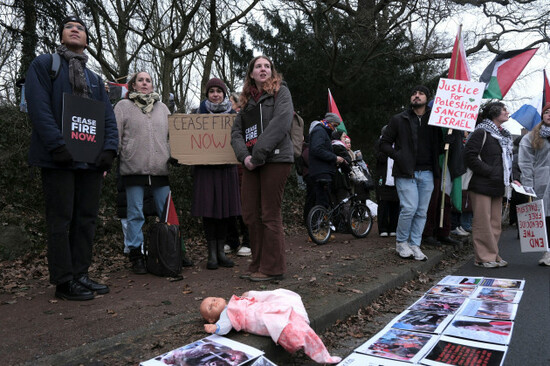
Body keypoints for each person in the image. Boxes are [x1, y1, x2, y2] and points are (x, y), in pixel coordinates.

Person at [25, 16, 118, 300]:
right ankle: (64, 281)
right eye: (69, 26)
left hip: (89, 161)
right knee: (60, 219)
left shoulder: (95, 79)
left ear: (87, 39)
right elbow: (39, 108)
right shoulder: (44, 65)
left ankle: (81, 274)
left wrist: (109, 150)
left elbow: (107, 117)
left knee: (86, 219)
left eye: (80, 27)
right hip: (58, 159)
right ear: (61, 35)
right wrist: (56, 145)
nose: (75, 29)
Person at [230, 55, 294, 282]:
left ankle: (273, 268)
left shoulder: (281, 93)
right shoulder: (245, 101)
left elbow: (281, 123)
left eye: (267, 66)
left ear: (272, 72)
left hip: (275, 160)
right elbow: (236, 133)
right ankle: (257, 262)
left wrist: (257, 155)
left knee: (269, 213)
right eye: (258, 66)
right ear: (251, 73)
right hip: (251, 163)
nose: (263, 69)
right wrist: (245, 157)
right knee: (250, 214)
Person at [114, 71, 172, 274]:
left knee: (167, 213)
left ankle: (172, 250)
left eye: (148, 80)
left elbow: (171, 136)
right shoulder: (123, 107)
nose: (145, 83)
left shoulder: (163, 108)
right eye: (141, 80)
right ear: (133, 85)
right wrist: (112, 156)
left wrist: (175, 154)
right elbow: (116, 135)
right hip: (133, 168)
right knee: (135, 213)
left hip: (160, 168)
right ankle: (136, 254)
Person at [379, 85, 442, 261]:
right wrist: (398, 156)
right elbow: (384, 143)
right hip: (406, 172)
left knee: (422, 211)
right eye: (414, 93)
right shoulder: (399, 119)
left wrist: (450, 138)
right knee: (409, 208)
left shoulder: (436, 120)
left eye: (421, 93)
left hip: (428, 172)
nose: (416, 96)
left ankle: (415, 244)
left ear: (427, 98)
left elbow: (442, 144)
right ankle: (401, 243)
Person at [200, 289, 341, 364]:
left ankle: (320, 351)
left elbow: (254, 298)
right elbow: (224, 326)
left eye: (213, 299)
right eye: (210, 308)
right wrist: (215, 329)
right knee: (288, 327)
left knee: (286, 307)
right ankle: (322, 356)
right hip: (258, 317)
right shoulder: (227, 314)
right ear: (211, 319)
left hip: (264, 309)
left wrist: (248, 295)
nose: (214, 303)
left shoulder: (233, 301)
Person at [191, 77, 242, 269]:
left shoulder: (234, 116)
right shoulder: (197, 115)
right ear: (207, 94)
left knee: (225, 212)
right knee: (209, 212)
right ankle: (211, 254)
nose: (215, 95)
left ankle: (222, 251)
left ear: (224, 94)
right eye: (211, 91)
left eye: (218, 91)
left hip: (226, 169)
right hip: (205, 170)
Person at [464, 101, 513, 268]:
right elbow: (469, 156)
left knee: (495, 223)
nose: (507, 112)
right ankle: (482, 258)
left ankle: (493, 254)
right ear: (494, 113)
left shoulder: (504, 136)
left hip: (498, 185)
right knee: (482, 222)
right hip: (482, 184)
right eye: (504, 109)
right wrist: (490, 171)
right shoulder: (480, 132)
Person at [518, 103, 550, 266]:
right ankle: (548, 252)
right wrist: (528, 185)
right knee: (546, 218)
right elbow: (525, 162)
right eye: (547, 112)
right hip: (541, 183)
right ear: (542, 116)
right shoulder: (531, 137)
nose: (549, 115)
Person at [308, 113, 346, 208]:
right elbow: (317, 149)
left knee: (323, 199)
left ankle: (319, 220)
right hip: (321, 171)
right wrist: (335, 158)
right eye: (335, 125)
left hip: (322, 170)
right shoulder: (320, 131)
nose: (335, 128)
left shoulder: (323, 131)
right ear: (330, 122)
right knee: (322, 201)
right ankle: (319, 221)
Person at [375, 125, 400, 237]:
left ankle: (393, 227)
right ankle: (383, 228)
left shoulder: (398, 144)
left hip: (396, 177)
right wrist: (386, 147)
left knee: (395, 203)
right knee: (383, 203)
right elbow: (380, 158)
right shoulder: (379, 144)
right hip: (383, 177)